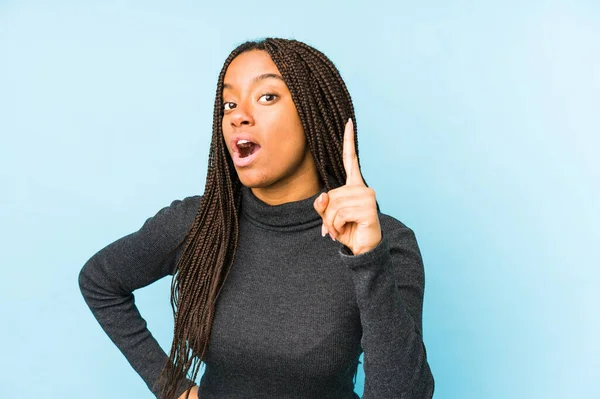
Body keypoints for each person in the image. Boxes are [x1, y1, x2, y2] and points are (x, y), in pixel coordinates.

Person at [79, 38, 435, 399]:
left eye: (267, 97)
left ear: (313, 111)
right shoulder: (199, 224)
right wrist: (172, 389)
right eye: (229, 103)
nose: (237, 115)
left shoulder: (385, 241)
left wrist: (368, 261)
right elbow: (100, 281)